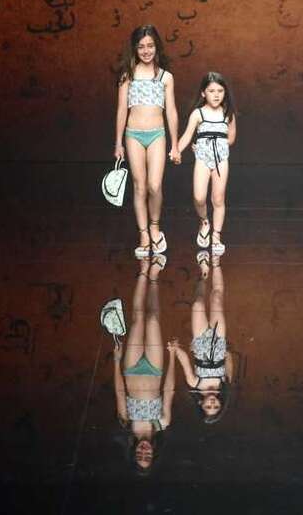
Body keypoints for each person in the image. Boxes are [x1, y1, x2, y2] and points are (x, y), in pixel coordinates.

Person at [114, 25, 180, 257]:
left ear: (157, 47)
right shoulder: (128, 76)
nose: (146, 50)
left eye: (150, 45)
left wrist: (175, 144)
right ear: (135, 49)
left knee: (154, 185)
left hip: (157, 135)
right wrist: (118, 143)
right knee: (139, 185)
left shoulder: (165, 77)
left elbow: (171, 111)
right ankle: (143, 233)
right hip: (133, 135)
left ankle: (154, 226)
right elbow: (121, 110)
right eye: (141, 46)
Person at [113, 257, 175, 474]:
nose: (144, 452)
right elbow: (169, 390)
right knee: (153, 320)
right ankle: (155, 277)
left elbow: (120, 392)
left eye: (139, 456)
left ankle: (144, 270)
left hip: (131, 368)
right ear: (154, 453)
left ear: (133, 452)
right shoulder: (162, 422)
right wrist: (172, 357)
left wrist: (117, 360)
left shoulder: (126, 422)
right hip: (155, 370)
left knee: (138, 319)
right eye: (147, 456)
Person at [175, 72, 237, 255]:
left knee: (218, 198)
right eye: (211, 91)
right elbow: (187, 135)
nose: (216, 95)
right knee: (199, 197)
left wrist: (216, 143)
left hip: (221, 158)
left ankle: (216, 236)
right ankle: (204, 221)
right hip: (202, 158)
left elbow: (231, 138)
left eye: (220, 91)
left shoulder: (228, 113)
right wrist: (177, 150)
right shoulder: (198, 113)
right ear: (203, 93)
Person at [170, 252, 234, 424]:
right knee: (217, 299)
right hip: (218, 341)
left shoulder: (195, 384)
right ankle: (216, 262)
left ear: (201, 404)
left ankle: (203, 275)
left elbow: (185, 362)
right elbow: (229, 362)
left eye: (208, 407)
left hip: (200, 342)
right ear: (221, 404)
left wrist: (176, 349)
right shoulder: (224, 384)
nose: (212, 403)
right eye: (216, 406)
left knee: (197, 304)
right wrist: (226, 351)